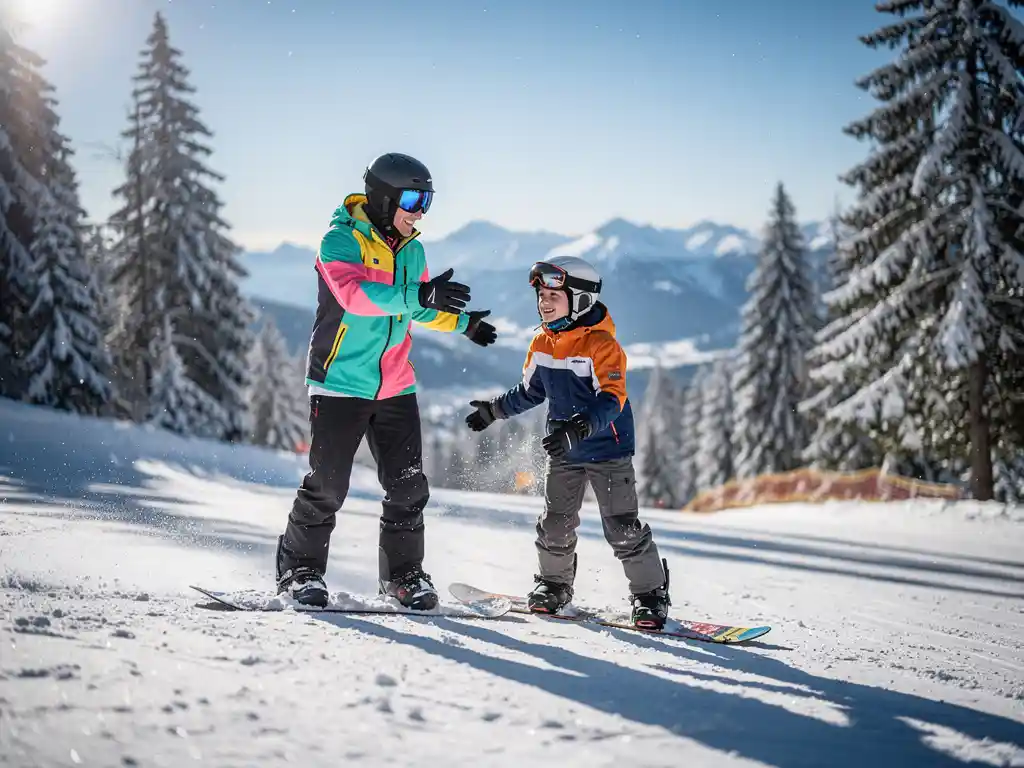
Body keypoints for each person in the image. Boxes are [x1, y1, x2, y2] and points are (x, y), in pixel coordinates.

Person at [275, 152, 498, 610]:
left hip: (396, 383)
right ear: (383, 196)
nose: (420, 211)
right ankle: (300, 570)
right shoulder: (340, 241)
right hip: (340, 381)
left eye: (428, 200)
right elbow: (356, 296)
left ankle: (403, 576)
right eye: (413, 198)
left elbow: (412, 305)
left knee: (409, 486)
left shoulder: (411, 247)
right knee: (328, 485)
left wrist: (462, 324)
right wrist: (417, 293)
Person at [463, 256, 671, 629]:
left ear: (580, 300)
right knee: (556, 523)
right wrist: (494, 411)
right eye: (541, 294)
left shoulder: (602, 345)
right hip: (564, 450)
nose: (544, 302)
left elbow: (612, 399)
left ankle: (650, 594)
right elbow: (530, 392)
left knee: (622, 527)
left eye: (554, 295)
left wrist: (577, 429)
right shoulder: (543, 342)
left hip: (608, 449)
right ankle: (554, 585)